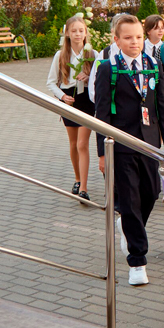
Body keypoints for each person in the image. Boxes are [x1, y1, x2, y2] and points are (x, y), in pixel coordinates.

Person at [93, 14, 164, 286]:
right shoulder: (107, 68)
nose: (134, 42)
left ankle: (128, 225)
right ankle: (137, 261)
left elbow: (161, 106)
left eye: (138, 37)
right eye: (127, 38)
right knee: (129, 199)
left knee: (150, 194)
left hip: (149, 145)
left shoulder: (152, 64)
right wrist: (102, 152)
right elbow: (100, 113)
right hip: (122, 144)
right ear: (116, 40)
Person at [46, 15, 95, 200]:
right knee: (74, 144)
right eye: (73, 31)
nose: (77, 34)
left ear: (85, 33)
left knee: (83, 144)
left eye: (81, 31)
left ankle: (83, 187)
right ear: (67, 33)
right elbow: (50, 83)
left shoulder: (92, 53)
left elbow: (99, 81)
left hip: (86, 102)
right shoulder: (61, 55)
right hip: (68, 101)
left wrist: (89, 77)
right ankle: (77, 178)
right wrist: (62, 96)